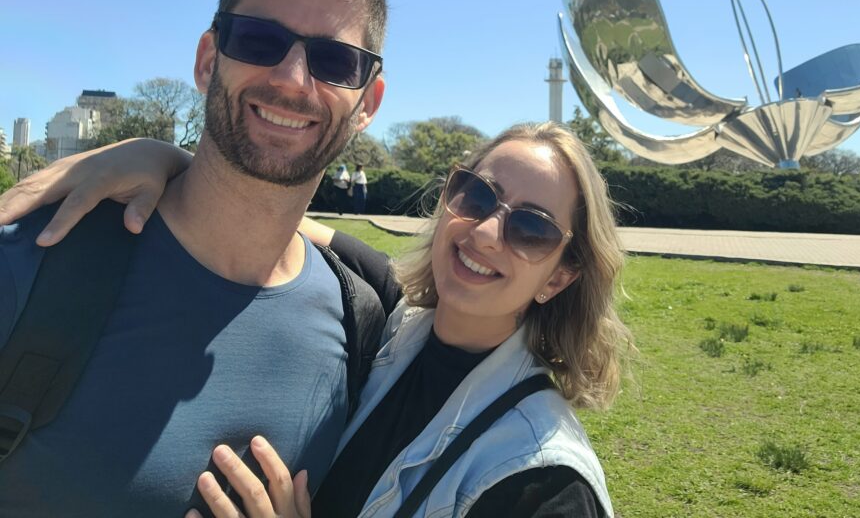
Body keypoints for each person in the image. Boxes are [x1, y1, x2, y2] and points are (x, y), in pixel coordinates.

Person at [4, 123, 630, 516]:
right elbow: (267, 214)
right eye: (477, 195)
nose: (487, 231)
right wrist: (161, 159)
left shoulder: (540, 480)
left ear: (560, 275)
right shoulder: (388, 315)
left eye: (530, 227)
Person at [0, 0, 390, 515]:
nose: (290, 79)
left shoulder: (362, 327)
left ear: (368, 103)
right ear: (208, 61)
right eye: (260, 41)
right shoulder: (32, 258)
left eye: (334, 60)